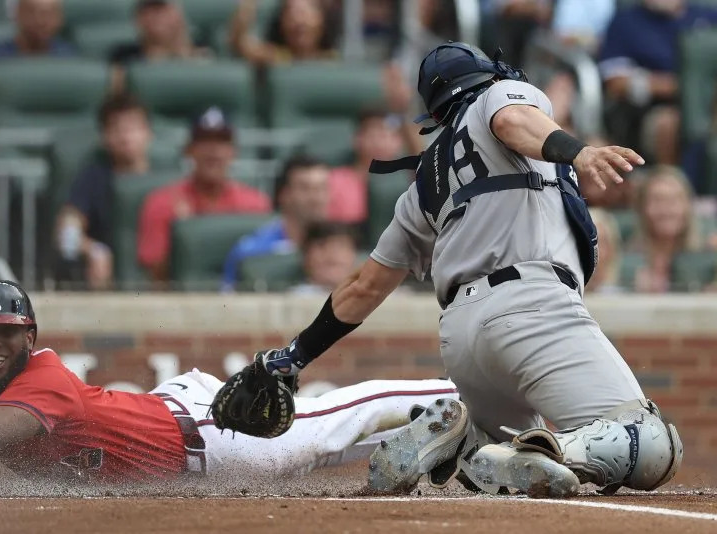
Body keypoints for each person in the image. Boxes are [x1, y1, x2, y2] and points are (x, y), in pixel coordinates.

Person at [230, 41, 682, 498]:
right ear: (486, 77)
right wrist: (578, 151)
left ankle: (460, 440)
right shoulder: (501, 94)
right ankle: (508, 450)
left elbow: (364, 287)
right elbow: (510, 120)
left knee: (501, 457)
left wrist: (294, 355)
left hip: (463, 339)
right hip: (532, 307)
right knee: (649, 442)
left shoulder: (424, 181)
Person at [0, 280, 458, 491]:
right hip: (165, 412)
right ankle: (457, 430)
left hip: (208, 436)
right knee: (334, 448)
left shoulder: (45, 376)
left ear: (29, 337)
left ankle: (465, 394)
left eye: (7, 334)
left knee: (328, 425)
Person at [137, 107, 271, 281]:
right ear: (189, 150)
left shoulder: (256, 205)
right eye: (204, 142)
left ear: (234, 152)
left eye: (221, 142)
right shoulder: (162, 202)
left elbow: (263, 268)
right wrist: (180, 236)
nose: (213, 152)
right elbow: (155, 277)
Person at [598, 0, 717, 166]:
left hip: (708, 103)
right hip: (655, 107)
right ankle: (670, 183)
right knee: (667, 123)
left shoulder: (707, 17)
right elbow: (616, 81)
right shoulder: (626, 22)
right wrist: (681, 86)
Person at [55, 93, 153, 290]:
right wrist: (93, 250)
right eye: (117, 130)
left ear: (148, 133)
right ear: (104, 137)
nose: (126, 137)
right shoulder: (92, 179)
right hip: (111, 278)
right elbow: (66, 234)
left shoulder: (167, 175)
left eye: (133, 128)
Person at [222, 155, 330, 291]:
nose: (316, 198)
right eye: (305, 189)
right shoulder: (250, 253)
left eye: (322, 188)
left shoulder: (343, 251)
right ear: (283, 195)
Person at [0, 0, 77, 126]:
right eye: (32, 12)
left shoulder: (71, 61)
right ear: (17, 14)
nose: (41, 21)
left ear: (60, 18)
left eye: (49, 14)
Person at [327, 109, 407, 225]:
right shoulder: (334, 179)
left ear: (399, 141)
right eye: (373, 135)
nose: (379, 142)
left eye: (385, 136)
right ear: (357, 139)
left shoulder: (412, 180)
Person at [630, 165, 701, 293]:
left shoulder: (708, 258)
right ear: (642, 208)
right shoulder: (624, 260)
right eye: (657, 200)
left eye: (674, 200)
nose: (666, 209)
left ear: (688, 207)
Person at [290, 222, 360, 295]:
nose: (332, 253)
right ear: (306, 255)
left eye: (341, 245)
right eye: (321, 245)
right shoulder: (289, 299)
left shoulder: (368, 297)